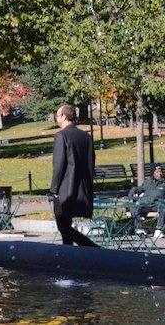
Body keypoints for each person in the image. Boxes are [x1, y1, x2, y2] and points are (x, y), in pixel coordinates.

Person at [50, 104, 98, 247]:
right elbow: (91, 161)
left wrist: (54, 189)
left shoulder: (61, 136)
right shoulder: (86, 137)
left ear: (64, 116)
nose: (57, 118)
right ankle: (68, 254)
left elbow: (59, 165)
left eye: (58, 115)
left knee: (63, 226)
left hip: (65, 189)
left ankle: (92, 248)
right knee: (66, 226)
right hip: (82, 187)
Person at [128, 164, 165, 239]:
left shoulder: (163, 183)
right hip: (145, 204)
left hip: (157, 204)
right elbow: (139, 188)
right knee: (136, 208)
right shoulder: (148, 182)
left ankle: (158, 230)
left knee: (163, 208)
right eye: (157, 172)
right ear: (153, 173)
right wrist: (133, 190)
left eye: (160, 171)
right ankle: (139, 229)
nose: (159, 173)